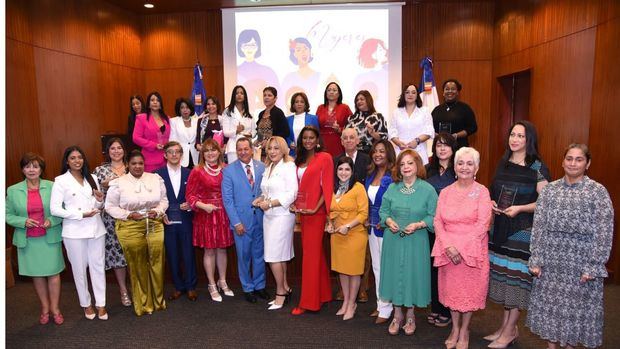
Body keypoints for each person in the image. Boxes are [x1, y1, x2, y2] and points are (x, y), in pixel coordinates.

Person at [526, 144, 613, 349]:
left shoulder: (597, 192)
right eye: (569, 159)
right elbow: (538, 227)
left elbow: (604, 232)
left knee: (574, 317)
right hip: (551, 262)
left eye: (579, 159)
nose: (573, 163)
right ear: (563, 161)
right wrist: (536, 259)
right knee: (551, 312)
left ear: (587, 164)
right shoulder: (550, 191)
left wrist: (593, 265)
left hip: (581, 264)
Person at [485, 121, 550, 348]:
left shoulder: (537, 167)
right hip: (500, 228)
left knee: (516, 282)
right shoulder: (503, 163)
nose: (515, 139)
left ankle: (510, 330)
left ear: (528, 139)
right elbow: (494, 191)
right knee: (503, 278)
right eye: (512, 134)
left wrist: (521, 208)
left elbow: (545, 201)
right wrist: (492, 202)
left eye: (520, 136)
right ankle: (505, 328)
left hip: (522, 230)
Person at [432, 147, 492, 349]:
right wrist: (448, 245)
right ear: (454, 167)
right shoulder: (446, 192)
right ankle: (454, 328)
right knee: (452, 292)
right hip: (447, 249)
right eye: (460, 163)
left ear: (476, 167)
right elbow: (438, 221)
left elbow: (483, 224)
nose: (464, 167)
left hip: (472, 250)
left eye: (469, 163)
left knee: (468, 293)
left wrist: (461, 248)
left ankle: (464, 330)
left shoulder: (482, 192)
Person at [379, 149, 437, 336]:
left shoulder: (427, 189)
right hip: (393, 239)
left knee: (413, 276)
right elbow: (383, 211)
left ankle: (411, 316)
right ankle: (397, 315)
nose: (406, 167)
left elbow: (434, 216)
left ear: (417, 165)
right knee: (395, 275)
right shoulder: (392, 188)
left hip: (417, 241)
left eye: (410, 163)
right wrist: (388, 221)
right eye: (402, 164)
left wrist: (419, 224)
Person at [105, 150, 169, 316]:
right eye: (133, 163)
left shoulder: (155, 178)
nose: (137, 166)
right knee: (138, 264)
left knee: (157, 262)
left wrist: (158, 211)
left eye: (140, 163)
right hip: (130, 226)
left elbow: (164, 200)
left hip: (154, 223)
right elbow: (110, 207)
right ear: (128, 165)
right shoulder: (119, 182)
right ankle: (143, 304)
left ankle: (158, 301)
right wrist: (128, 215)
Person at [6, 153, 65, 325]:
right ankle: (45, 308)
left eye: (35, 166)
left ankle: (55, 309)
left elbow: (63, 210)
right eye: (27, 166)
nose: (31, 170)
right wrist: (22, 221)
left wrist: (52, 221)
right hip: (28, 240)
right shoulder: (12, 190)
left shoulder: (53, 186)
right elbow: (7, 214)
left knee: (53, 273)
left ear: (41, 169)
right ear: (22, 169)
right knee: (37, 275)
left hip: (50, 237)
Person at [50, 146, 108, 320]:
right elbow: (54, 209)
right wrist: (80, 214)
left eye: (80, 157)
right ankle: (86, 304)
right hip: (74, 231)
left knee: (98, 268)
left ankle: (101, 303)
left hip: (96, 229)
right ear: (67, 161)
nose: (77, 161)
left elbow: (97, 206)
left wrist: (99, 200)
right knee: (79, 270)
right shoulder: (60, 181)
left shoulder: (93, 178)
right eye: (73, 158)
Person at [289, 125, 334, 315]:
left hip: (316, 213)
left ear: (317, 140)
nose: (308, 141)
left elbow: (328, 185)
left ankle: (308, 302)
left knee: (310, 257)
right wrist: (294, 205)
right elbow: (298, 187)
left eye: (311, 138)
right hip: (303, 213)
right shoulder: (298, 160)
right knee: (315, 253)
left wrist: (317, 208)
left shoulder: (325, 157)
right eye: (305, 138)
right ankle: (324, 294)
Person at [252, 136, 298, 310]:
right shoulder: (268, 166)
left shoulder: (288, 166)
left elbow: (291, 193)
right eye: (270, 148)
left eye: (276, 148)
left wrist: (270, 203)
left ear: (284, 149)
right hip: (269, 216)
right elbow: (268, 191)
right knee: (280, 255)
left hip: (282, 216)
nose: (272, 152)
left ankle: (280, 292)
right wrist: (261, 199)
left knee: (272, 256)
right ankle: (285, 287)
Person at [186, 139, 235, 302]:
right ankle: (211, 284)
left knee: (222, 249)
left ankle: (223, 281)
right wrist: (203, 206)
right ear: (202, 154)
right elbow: (190, 195)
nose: (210, 153)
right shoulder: (197, 171)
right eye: (206, 151)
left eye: (213, 150)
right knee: (209, 250)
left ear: (219, 151)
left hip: (223, 213)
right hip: (205, 214)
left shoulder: (226, 169)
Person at [222, 137, 268, 303]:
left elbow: (266, 191)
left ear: (252, 149)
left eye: (245, 149)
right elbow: (227, 200)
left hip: (261, 219)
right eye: (239, 149)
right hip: (241, 222)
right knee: (244, 256)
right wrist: (236, 223)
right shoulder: (228, 171)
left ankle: (260, 286)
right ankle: (248, 288)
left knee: (259, 255)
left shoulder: (262, 167)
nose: (242, 152)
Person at [154, 141, 197, 302]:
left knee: (188, 254)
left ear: (181, 155)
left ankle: (191, 286)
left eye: (177, 152)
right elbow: (154, 198)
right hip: (167, 220)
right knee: (172, 255)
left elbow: (196, 195)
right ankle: (179, 287)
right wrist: (160, 212)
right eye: (170, 152)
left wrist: (191, 205)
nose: (174, 155)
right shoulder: (157, 175)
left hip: (186, 219)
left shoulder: (190, 173)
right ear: (165, 155)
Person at [327, 157, 368, 320]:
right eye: (340, 169)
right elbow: (329, 210)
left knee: (353, 271)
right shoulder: (333, 188)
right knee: (342, 270)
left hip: (354, 233)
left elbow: (363, 214)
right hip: (337, 235)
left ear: (352, 172)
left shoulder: (358, 188)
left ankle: (352, 303)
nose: (343, 173)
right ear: (336, 171)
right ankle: (345, 301)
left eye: (347, 169)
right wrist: (329, 224)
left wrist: (348, 226)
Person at [333, 128, 371, 303]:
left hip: (359, 218)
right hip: (339, 227)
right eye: (345, 138)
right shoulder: (336, 161)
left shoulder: (366, 159)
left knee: (361, 260)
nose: (348, 140)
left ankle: (362, 290)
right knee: (343, 265)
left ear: (358, 140)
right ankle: (345, 294)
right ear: (341, 141)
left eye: (352, 137)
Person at [93, 138, 132, 308]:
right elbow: (96, 195)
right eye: (112, 148)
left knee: (134, 253)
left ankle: (138, 289)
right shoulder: (99, 171)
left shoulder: (133, 166)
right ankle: (124, 290)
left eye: (119, 148)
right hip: (111, 220)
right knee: (117, 256)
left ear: (124, 150)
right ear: (107, 152)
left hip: (133, 217)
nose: (116, 151)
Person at [424, 133, 458, 328]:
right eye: (438, 145)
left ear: (453, 148)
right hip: (430, 228)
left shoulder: (459, 169)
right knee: (433, 269)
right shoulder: (428, 170)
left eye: (446, 145)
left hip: (451, 229)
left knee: (448, 270)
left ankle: (448, 309)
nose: (442, 149)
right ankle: (436, 307)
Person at [365, 140, 396, 324]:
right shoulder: (371, 174)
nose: (377, 154)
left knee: (387, 269)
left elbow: (396, 203)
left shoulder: (394, 176)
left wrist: (385, 220)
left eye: (382, 151)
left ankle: (388, 308)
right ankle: (381, 305)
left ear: (389, 153)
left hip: (387, 229)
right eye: (375, 151)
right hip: (371, 228)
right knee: (376, 268)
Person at [388, 83, 434, 162]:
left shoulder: (424, 111)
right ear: (403, 94)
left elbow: (429, 131)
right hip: (401, 151)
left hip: (419, 151)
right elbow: (392, 131)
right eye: (407, 92)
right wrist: (398, 143)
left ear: (417, 95)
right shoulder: (396, 112)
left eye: (413, 92)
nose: (410, 95)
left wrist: (417, 141)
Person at [431, 79, 477, 149]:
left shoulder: (465, 108)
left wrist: (455, 135)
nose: (450, 91)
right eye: (447, 89)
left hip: (459, 148)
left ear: (457, 92)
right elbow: (429, 127)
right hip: (441, 147)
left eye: (453, 89)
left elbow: (473, 128)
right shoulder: (436, 110)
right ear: (443, 92)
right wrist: (438, 136)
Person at [133, 91, 171, 172]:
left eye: (157, 100)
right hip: (150, 160)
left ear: (160, 104)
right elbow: (136, 138)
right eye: (152, 100)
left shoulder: (167, 119)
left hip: (166, 159)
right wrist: (154, 145)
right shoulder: (142, 118)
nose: (155, 102)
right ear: (148, 104)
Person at [316, 82, 352, 157]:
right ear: (326, 93)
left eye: (334, 90)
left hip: (338, 142)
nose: (331, 92)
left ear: (339, 94)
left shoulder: (344, 108)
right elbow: (316, 126)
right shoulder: (320, 108)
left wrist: (340, 129)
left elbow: (352, 126)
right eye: (329, 90)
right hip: (323, 142)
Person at [222, 85, 256, 163]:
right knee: (234, 172)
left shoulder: (248, 113)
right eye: (237, 93)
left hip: (247, 146)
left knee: (246, 170)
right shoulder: (228, 111)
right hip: (233, 147)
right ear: (234, 96)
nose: (239, 95)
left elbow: (253, 132)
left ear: (245, 96)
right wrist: (236, 130)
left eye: (242, 93)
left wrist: (250, 135)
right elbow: (226, 133)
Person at [281, 37, 321, 103]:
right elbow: (283, 101)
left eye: (305, 48)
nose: (303, 52)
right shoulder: (289, 78)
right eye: (298, 50)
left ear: (310, 51)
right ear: (294, 54)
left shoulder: (320, 76)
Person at [256, 87, 290, 153]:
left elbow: (286, 132)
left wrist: (269, 140)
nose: (266, 97)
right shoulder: (261, 114)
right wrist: (258, 140)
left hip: (275, 149)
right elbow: (260, 131)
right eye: (264, 95)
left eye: (269, 95)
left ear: (275, 98)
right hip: (262, 149)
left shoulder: (278, 112)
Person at [169, 97, 200, 168]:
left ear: (191, 109)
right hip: (180, 156)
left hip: (195, 155)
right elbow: (172, 140)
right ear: (179, 110)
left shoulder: (197, 120)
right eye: (182, 108)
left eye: (187, 107)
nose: (185, 110)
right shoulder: (173, 121)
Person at [285, 92, 319, 157]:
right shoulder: (287, 119)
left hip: (309, 152)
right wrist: (289, 143)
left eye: (302, 102)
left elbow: (317, 135)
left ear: (306, 104)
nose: (299, 104)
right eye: (296, 102)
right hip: (293, 153)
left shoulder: (313, 118)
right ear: (293, 105)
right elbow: (286, 135)